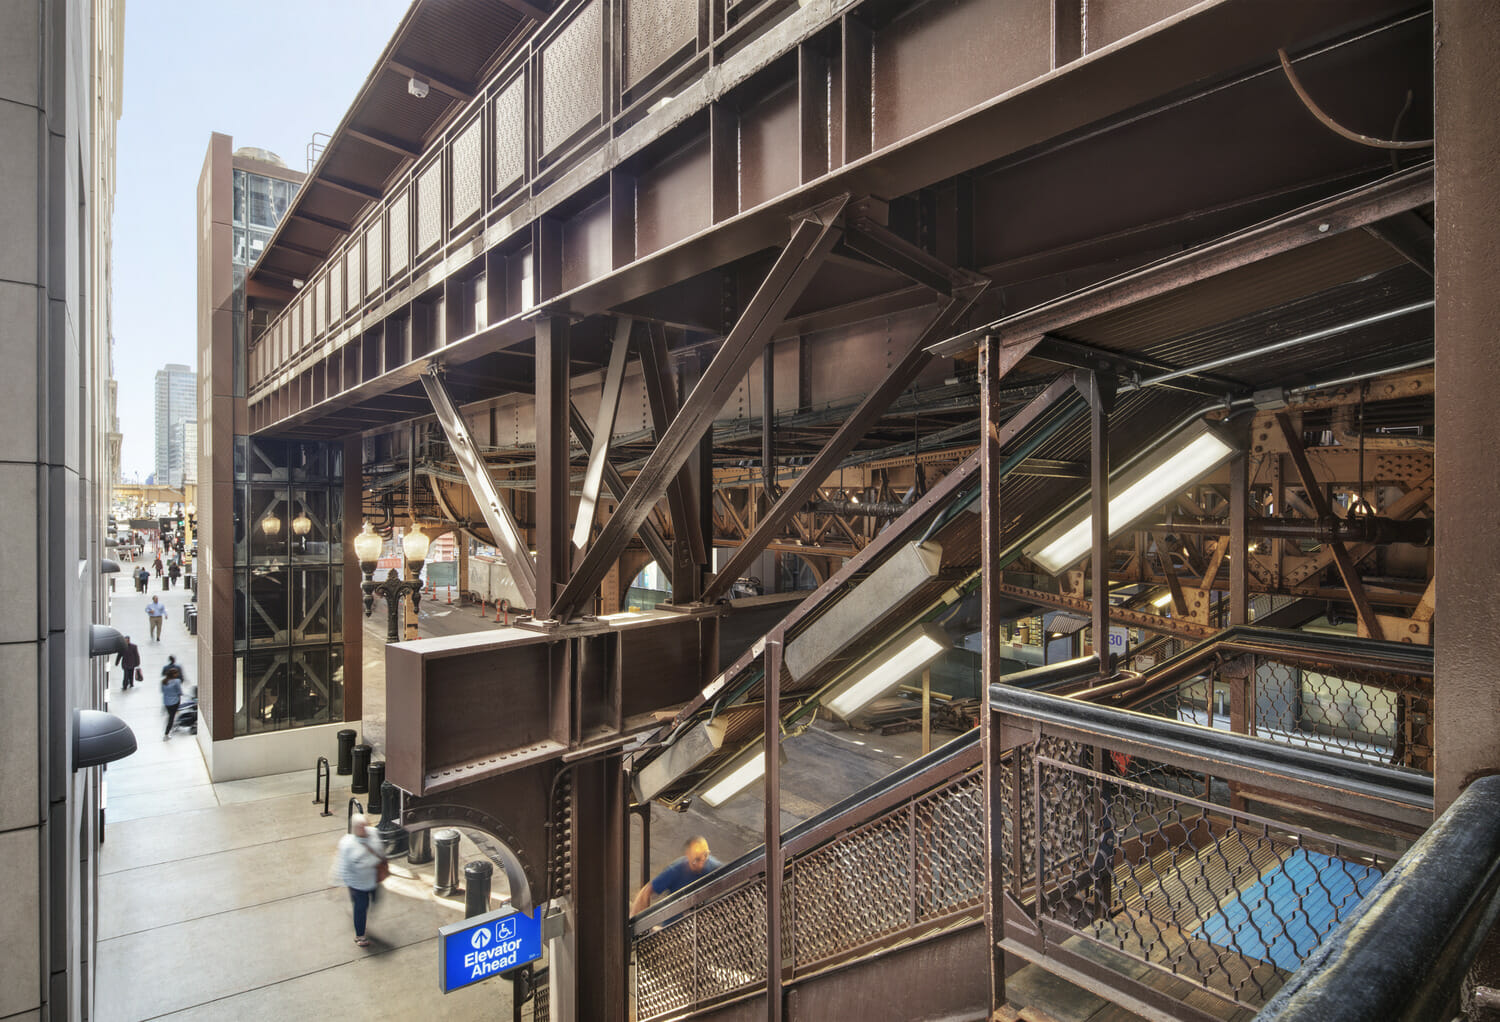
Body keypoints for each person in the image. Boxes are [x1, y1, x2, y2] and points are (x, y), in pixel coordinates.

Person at [631, 836, 722, 915]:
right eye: (696, 860)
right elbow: (646, 891)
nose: (700, 865)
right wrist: (637, 920)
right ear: (688, 856)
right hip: (674, 925)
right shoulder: (676, 870)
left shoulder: (712, 865)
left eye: (705, 857)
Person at [332, 814, 386, 947]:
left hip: (373, 880)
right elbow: (342, 865)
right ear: (354, 828)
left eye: (365, 825)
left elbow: (380, 850)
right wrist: (337, 882)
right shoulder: (347, 844)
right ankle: (360, 935)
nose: (364, 828)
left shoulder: (373, 833)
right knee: (361, 908)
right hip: (357, 884)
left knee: (375, 900)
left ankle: (358, 914)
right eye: (360, 826)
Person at [161, 665, 183, 739]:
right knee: (171, 717)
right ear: (173, 674)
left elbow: (162, 691)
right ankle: (166, 733)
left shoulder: (163, 681)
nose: (178, 675)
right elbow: (179, 692)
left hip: (166, 702)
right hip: (175, 702)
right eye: (176, 673)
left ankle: (171, 725)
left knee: (170, 715)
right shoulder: (177, 681)